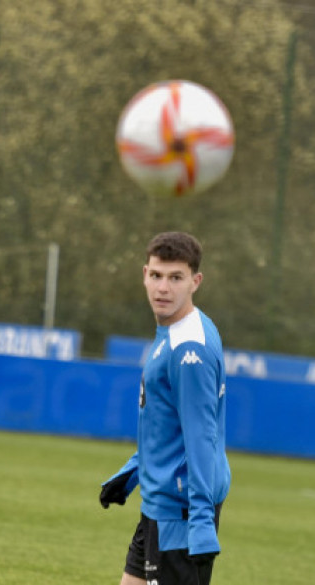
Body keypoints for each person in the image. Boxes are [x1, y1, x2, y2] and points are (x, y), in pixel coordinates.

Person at [99, 231, 230, 585]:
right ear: (144, 274)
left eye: (176, 278)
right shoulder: (175, 331)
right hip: (160, 504)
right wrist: (135, 470)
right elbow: (166, 425)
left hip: (182, 512)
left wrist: (201, 519)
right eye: (157, 276)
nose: (163, 288)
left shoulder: (190, 350)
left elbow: (201, 435)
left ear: (195, 282)